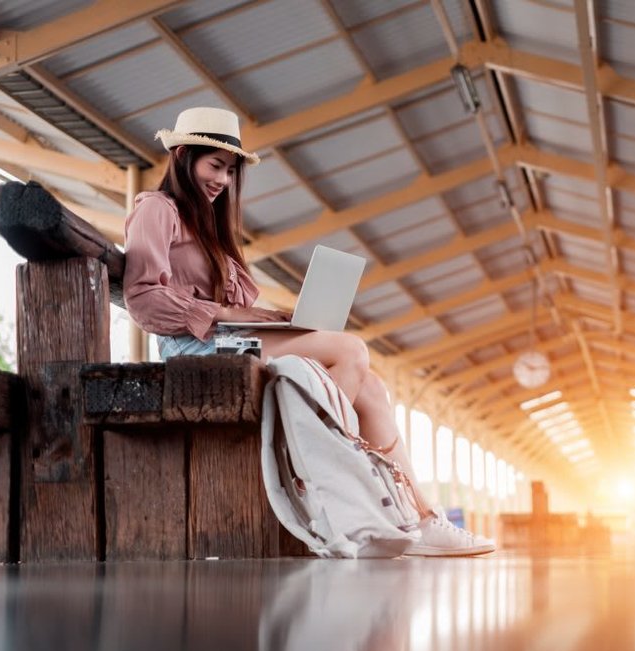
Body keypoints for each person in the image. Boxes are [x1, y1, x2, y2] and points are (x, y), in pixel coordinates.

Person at [123, 107, 494, 557]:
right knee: (351, 349)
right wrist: (226, 314)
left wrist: (263, 315)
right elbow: (142, 298)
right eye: (214, 165)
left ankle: (421, 519)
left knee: (373, 389)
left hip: (228, 341)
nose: (223, 180)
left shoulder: (212, 228)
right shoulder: (156, 209)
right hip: (196, 348)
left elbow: (226, 308)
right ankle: (323, 487)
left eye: (230, 171)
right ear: (183, 156)